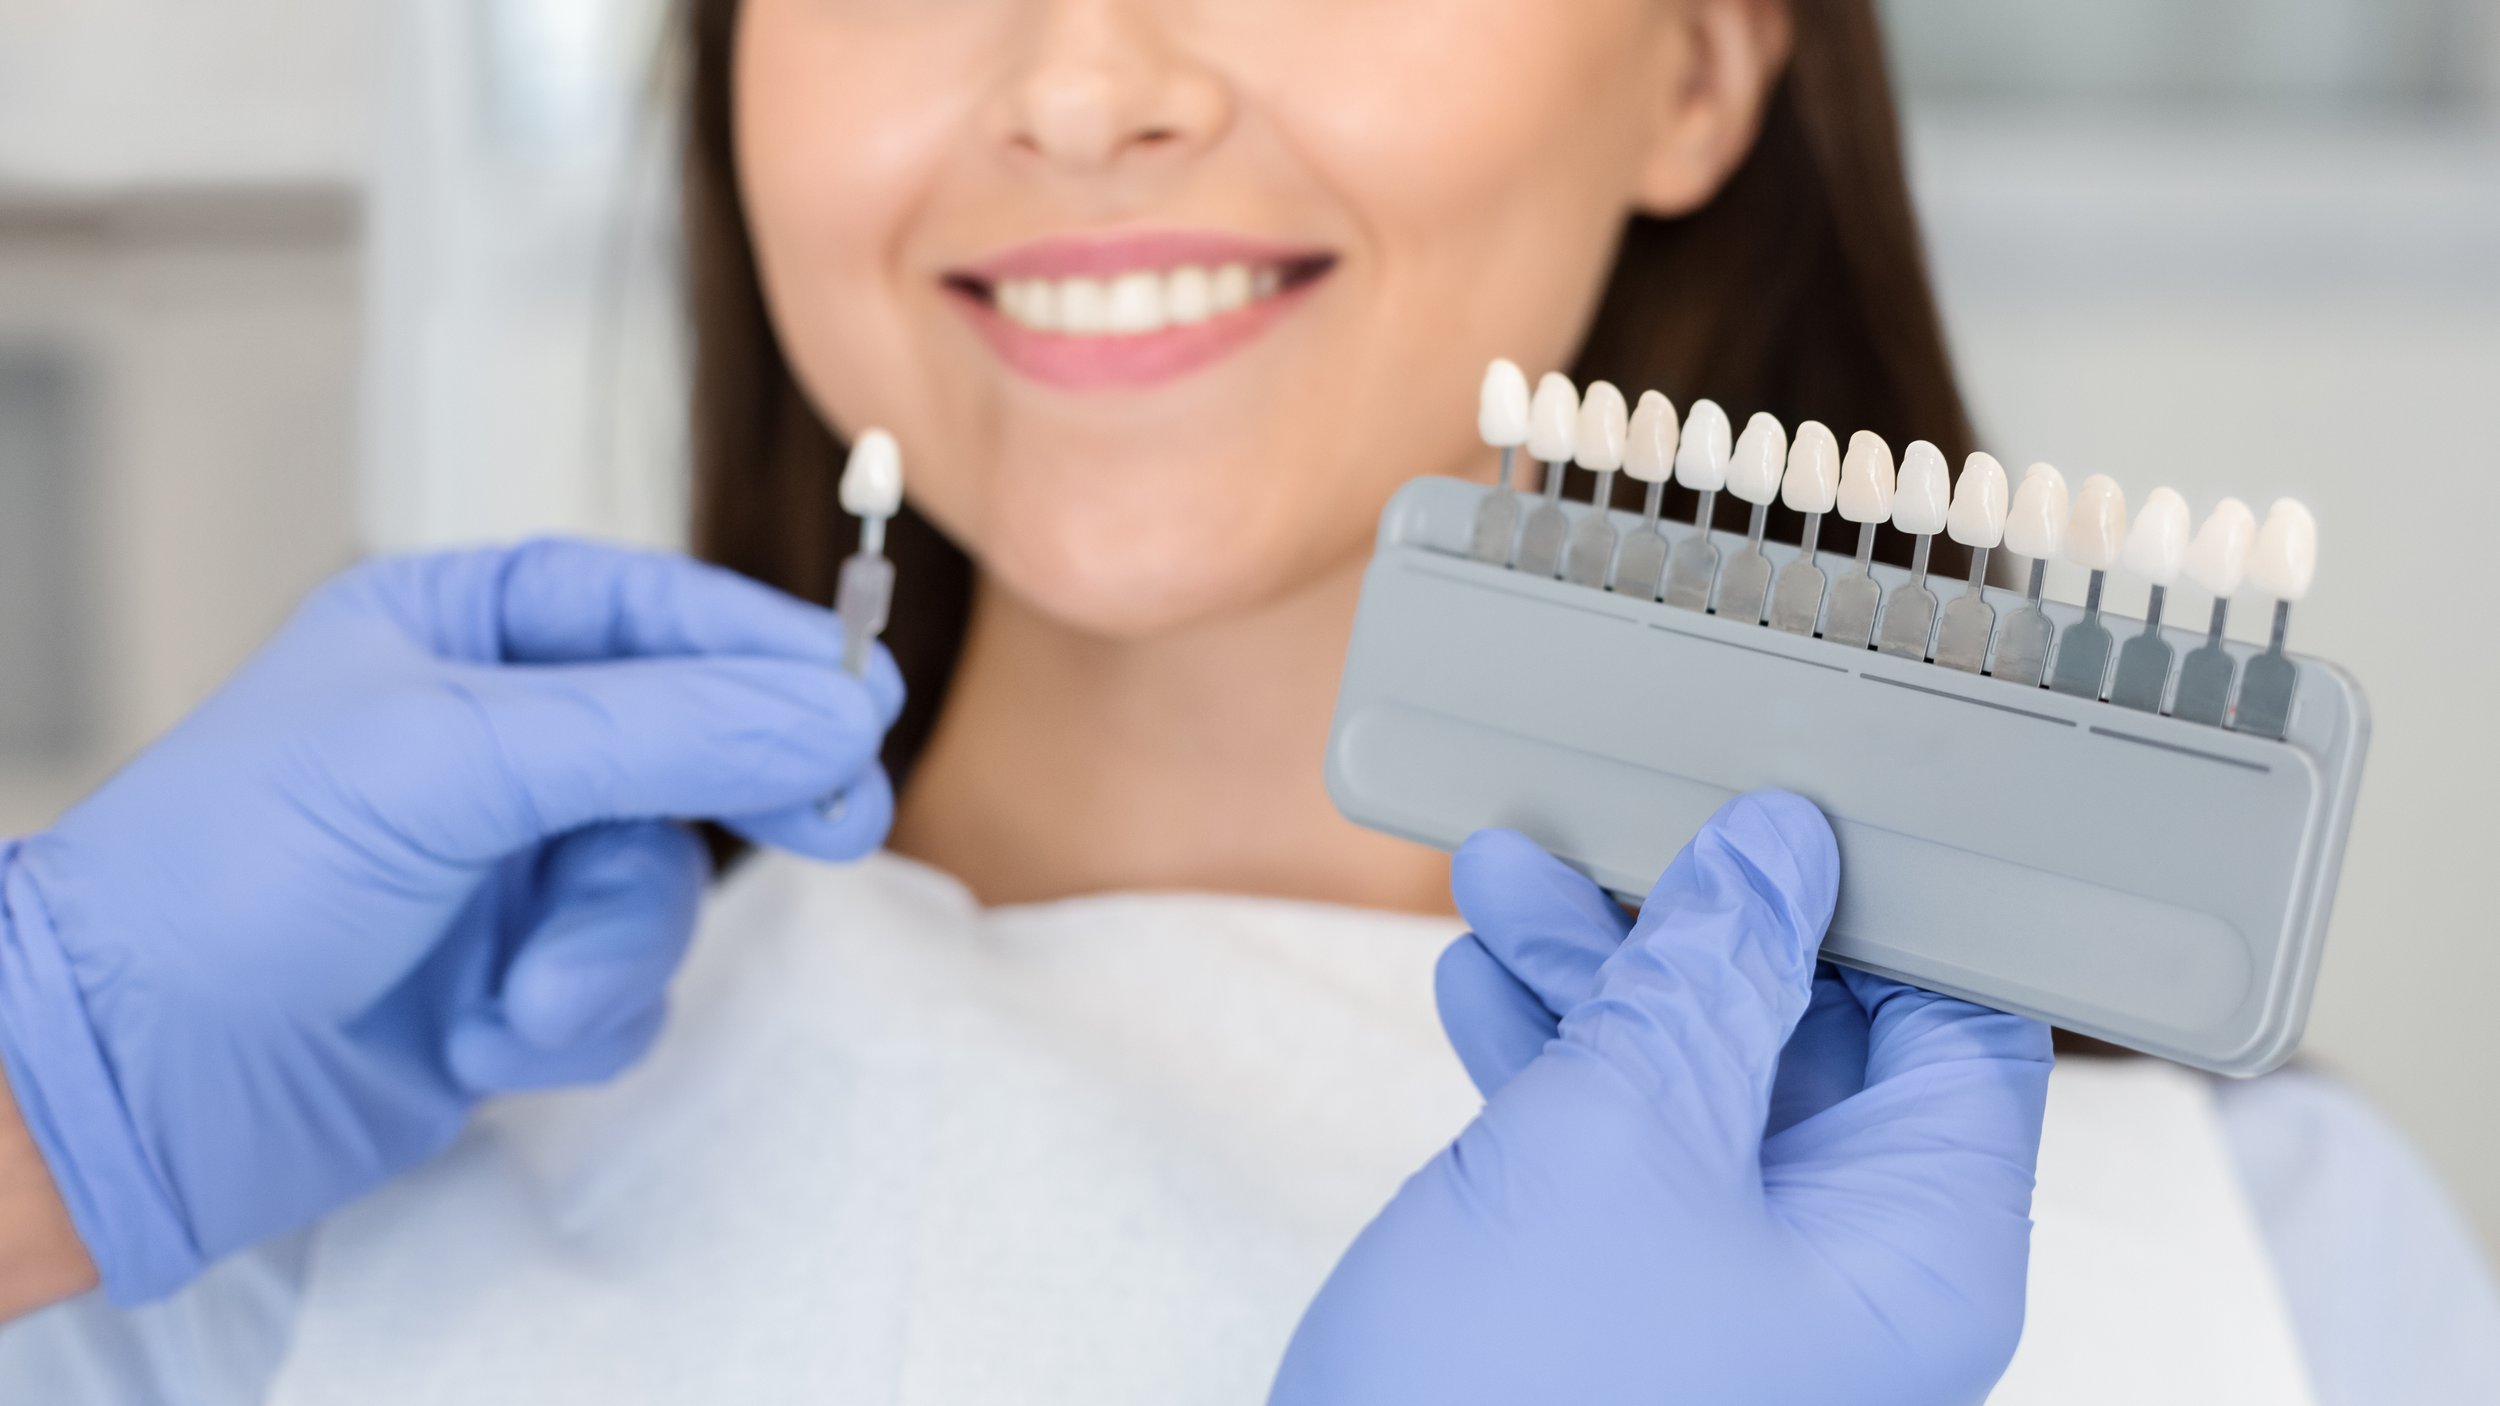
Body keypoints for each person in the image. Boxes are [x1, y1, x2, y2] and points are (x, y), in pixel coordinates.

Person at [1, 0, 2495, 1401]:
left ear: (1706, 62)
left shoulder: (2264, 1268)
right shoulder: (251, 1201)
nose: (1083, 83)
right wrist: (31, 1116)